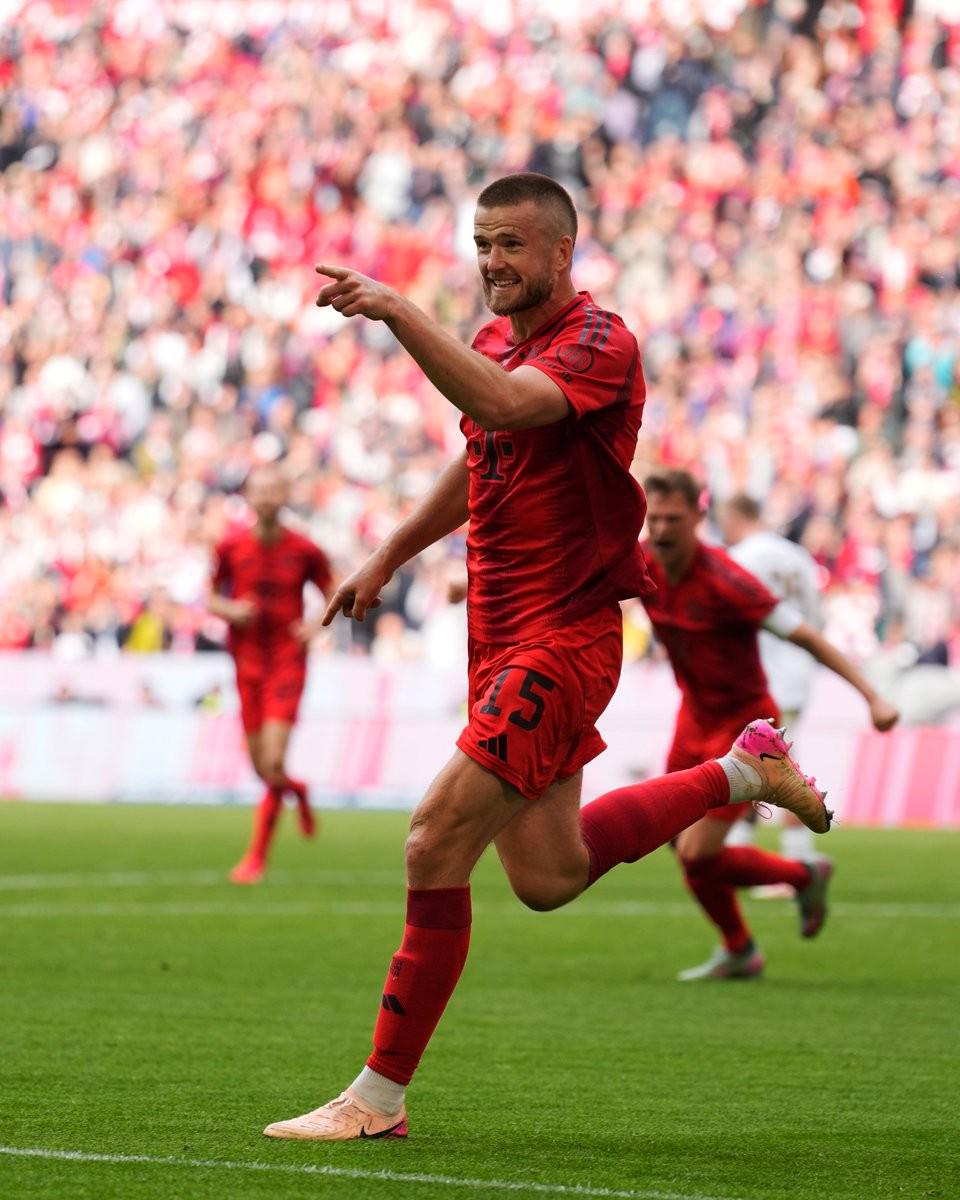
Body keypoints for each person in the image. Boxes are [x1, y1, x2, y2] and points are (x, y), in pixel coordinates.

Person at [262, 173, 831, 1142]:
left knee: (433, 841)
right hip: (497, 638)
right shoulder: (493, 342)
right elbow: (478, 449)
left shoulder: (600, 343)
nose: (493, 262)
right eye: (483, 244)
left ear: (562, 252)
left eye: (512, 245)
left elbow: (506, 405)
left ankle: (376, 1100)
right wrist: (390, 554)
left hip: (562, 636)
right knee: (549, 876)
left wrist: (396, 310)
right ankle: (742, 773)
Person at [639, 470, 899, 981]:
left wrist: (873, 696)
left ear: (699, 518)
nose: (663, 530)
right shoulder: (642, 563)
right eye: (655, 519)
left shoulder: (729, 582)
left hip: (743, 729)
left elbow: (808, 638)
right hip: (693, 719)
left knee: (697, 852)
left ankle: (795, 881)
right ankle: (746, 941)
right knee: (677, 842)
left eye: (674, 519)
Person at [208, 465, 333, 884]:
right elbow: (211, 597)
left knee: (274, 759)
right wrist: (230, 610)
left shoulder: (305, 549)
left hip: (286, 661)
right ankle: (297, 790)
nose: (265, 497)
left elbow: (333, 594)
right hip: (246, 664)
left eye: (272, 490)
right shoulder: (229, 546)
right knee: (262, 768)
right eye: (258, 490)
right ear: (248, 496)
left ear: (284, 495)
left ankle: (256, 857)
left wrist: (314, 626)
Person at [719, 492, 824, 885]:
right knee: (764, 765)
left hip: (760, 675)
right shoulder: (797, 557)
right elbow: (815, 617)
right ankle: (745, 859)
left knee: (770, 770)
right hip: (797, 673)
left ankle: (798, 863)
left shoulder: (741, 558)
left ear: (734, 517)